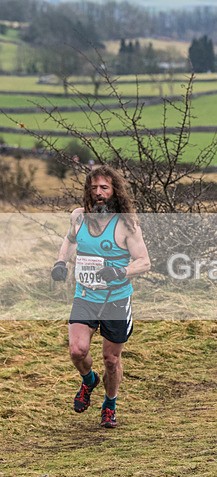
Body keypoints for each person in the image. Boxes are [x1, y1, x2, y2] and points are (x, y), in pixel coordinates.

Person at [50, 165, 150, 429]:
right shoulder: (78, 217)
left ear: (114, 190)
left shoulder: (127, 224)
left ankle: (110, 404)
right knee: (77, 350)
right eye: (93, 188)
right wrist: (61, 262)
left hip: (115, 300)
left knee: (111, 360)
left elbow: (144, 261)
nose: (98, 193)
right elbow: (70, 240)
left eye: (104, 187)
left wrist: (120, 271)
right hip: (85, 296)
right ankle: (89, 380)